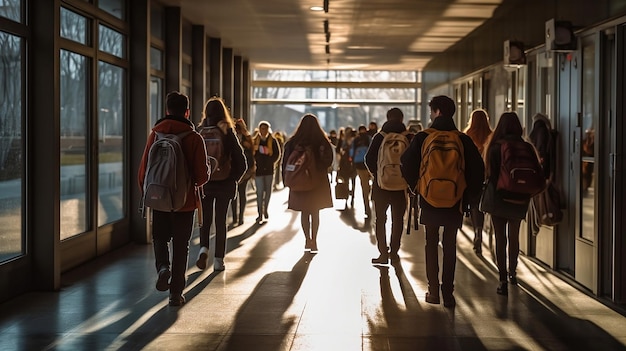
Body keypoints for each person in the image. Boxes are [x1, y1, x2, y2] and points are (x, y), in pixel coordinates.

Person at [400, 96, 484, 307]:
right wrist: (468, 197)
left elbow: (406, 163)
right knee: (449, 244)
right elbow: (478, 171)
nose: (430, 115)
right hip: (455, 200)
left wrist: (416, 187)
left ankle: (433, 291)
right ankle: (448, 292)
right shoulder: (463, 140)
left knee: (430, 243)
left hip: (429, 198)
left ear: (437, 111)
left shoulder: (422, 137)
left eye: (431, 111)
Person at [137, 91, 210, 306]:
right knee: (181, 245)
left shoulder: (155, 135)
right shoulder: (194, 138)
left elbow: (144, 171)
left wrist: (149, 193)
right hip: (184, 202)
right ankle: (175, 294)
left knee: (159, 238)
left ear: (167, 111)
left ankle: (162, 268)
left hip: (159, 198)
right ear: (187, 111)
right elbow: (201, 176)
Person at [482, 111, 536, 296]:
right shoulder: (526, 146)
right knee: (514, 236)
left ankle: (502, 279)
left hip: (499, 197)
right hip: (519, 197)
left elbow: (490, 173)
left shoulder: (495, 147)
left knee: (500, 238)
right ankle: (513, 273)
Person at [195, 97, 247, 272]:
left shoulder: (200, 130)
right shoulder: (227, 131)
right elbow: (242, 162)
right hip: (224, 183)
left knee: (205, 220)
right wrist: (233, 179)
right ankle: (218, 260)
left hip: (205, 183)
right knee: (220, 221)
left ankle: (203, 249)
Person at [282, 114, 334, 253]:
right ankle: (314, 240)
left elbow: (285, 162)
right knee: (315, 212)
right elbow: (329, 161)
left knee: (304, 212)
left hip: (299, 181)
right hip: (318, 182)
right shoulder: (322, 141)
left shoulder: (293, 142)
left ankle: (307, 240)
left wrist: (286, 179)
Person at [365, 108, 408, 265]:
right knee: (398, 220)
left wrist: (378, 176)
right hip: (401, 187)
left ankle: (383, 253)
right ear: (402, 119)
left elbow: (368, 159)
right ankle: (394, 252)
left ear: (388, 118)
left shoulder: (379, 137)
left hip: (381, 186)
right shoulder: (408, 137)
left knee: (380, 219)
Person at [463, 108, 493, 255]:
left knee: (475, 205)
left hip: (473, 176)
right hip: (488, 176)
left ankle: (477, 231)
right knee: (488, 204)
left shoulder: (467, 135)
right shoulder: (491, 135)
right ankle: (490, 230)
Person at [252, 121, 281, 223]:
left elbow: (277, 154)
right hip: (258, 170)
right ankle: (260, 213)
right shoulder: (255, 140)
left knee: (268, 191)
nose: (263, 131)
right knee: (259, 192)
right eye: (261, 129)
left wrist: (270, 161)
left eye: (265, 129)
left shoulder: (273, 141)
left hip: (269, 170)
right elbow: (252, 154)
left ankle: (266, 209)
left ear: (268, 129)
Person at [231, 118, 255, 227]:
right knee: (234, 195)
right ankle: (235, 217)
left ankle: (240, 217)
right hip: (233, 169)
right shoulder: (230, 137)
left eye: (239, 128)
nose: (238, 130)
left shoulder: (247, 138)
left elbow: (252, 152)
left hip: (245, 169)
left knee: (242, 193)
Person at [350, 125, 373, 218]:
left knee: (364, 186)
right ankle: (369, 203)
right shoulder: (369, 138)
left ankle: (367, 207)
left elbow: (352, 152)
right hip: (369, 165)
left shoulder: (355, 140)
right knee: (368, 185)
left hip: (359, 165)